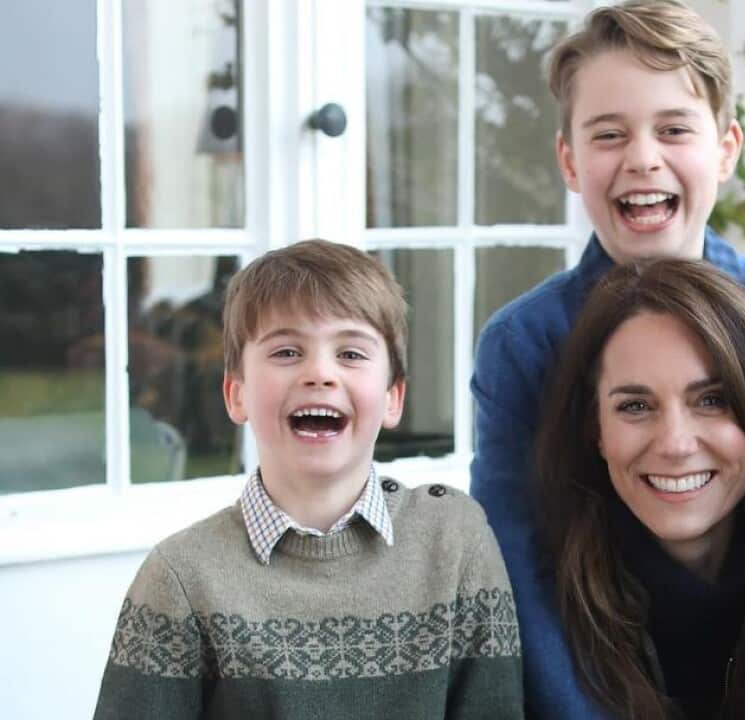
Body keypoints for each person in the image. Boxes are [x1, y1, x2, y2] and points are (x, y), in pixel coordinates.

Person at [469, 1, 745, 717]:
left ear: (726, 148)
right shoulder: (524, 345)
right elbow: (518, 575)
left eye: (674, 129)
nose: (642, 157)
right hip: (599, 691)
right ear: (569, 160)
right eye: (609, 134)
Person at [93, 240, 521, 719]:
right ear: (237, 396)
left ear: (393, 398)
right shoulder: (180, 578)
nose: (320, 373)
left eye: (352, 354)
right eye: (287, 351)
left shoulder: (455, 541)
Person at [536, 259, 745, 720]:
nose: (675, 445)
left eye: (712, 400)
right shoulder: (539, 606)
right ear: (596, 431)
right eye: (635, 406)